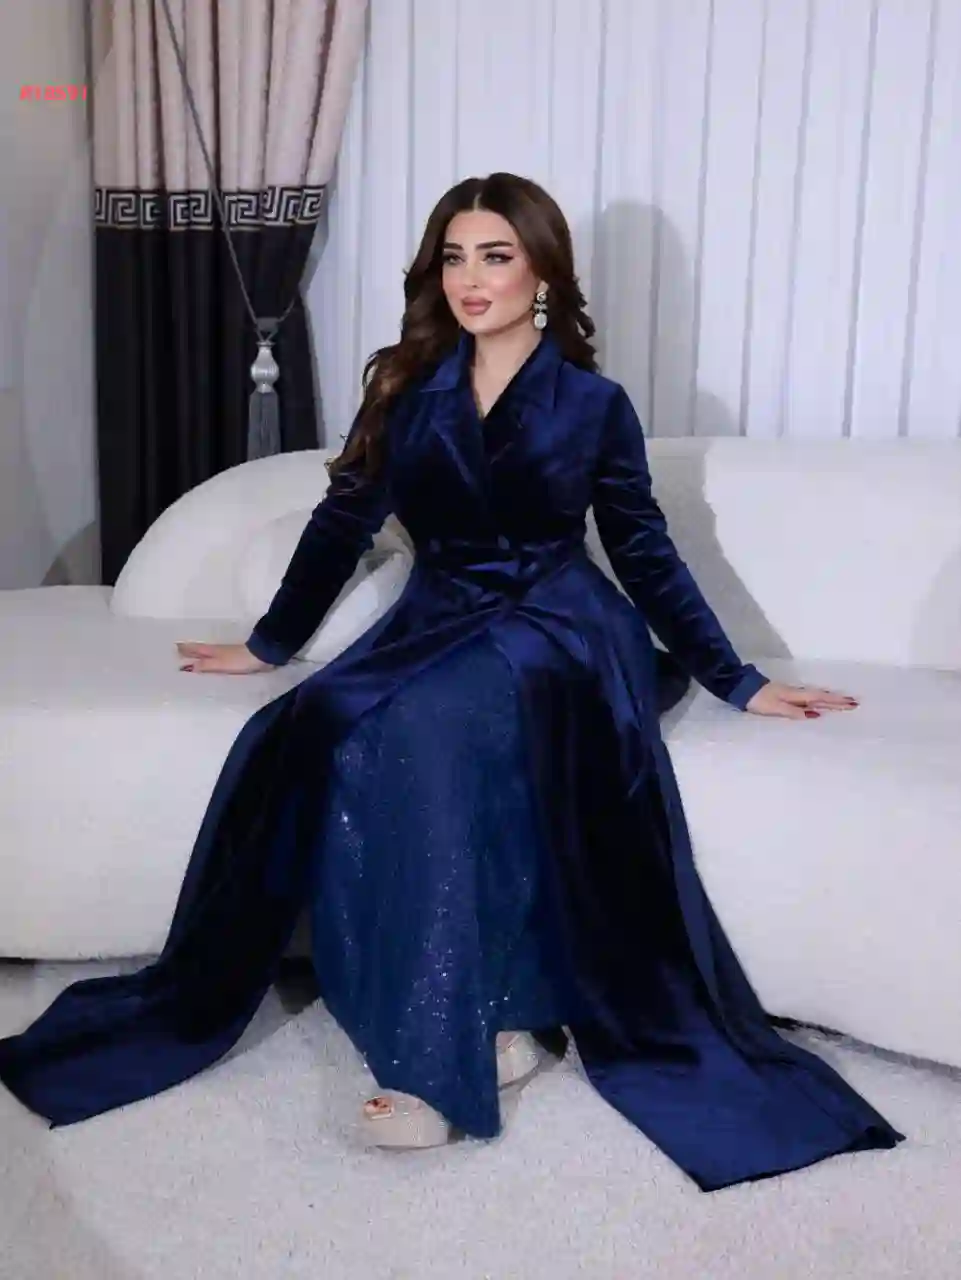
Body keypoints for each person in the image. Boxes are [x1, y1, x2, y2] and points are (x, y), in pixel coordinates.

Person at [0, 173, 903, 1191]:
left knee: (425, 731)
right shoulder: (406, 388)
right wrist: (269, 643)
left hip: (560, 629)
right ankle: (495, 1012)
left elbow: (643, 552)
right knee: (319, 721)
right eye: (454, 257)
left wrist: (735, 681)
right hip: (437, 618)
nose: (471, 279)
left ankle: (431, 1065)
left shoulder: (593, 405)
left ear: (543, 273)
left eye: (496, 256)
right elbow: (342, 522)